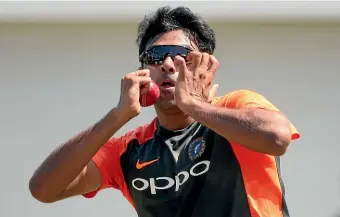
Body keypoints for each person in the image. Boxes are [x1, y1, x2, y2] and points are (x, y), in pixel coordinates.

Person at [29, 6, 300, 217]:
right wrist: (117, 115)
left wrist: (194, 104)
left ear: (204, 65)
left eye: (180, 53)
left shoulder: (237, 106)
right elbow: (43, 189)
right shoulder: (129, 150)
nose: (168, 64)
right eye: (155, 57)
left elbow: (277, 137)